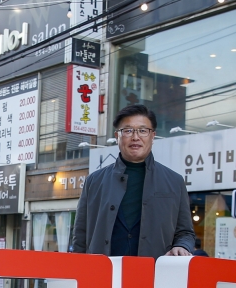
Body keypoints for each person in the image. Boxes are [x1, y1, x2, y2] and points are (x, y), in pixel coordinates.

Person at [70, 103, 196, 258]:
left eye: (143, 131)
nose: (135, 137)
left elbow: (186, 232)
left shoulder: (174, 181)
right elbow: (80, 237)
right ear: (117, 136)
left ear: (152, 136)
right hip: (104, 275)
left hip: (154, 274)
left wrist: (181, 246)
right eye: (128, 130)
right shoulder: (94, 182)